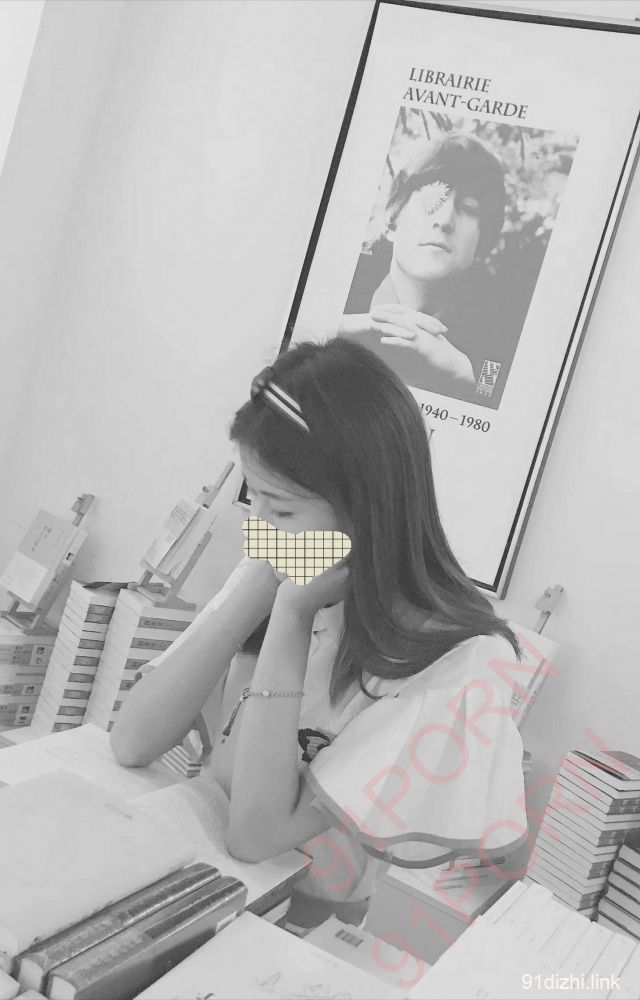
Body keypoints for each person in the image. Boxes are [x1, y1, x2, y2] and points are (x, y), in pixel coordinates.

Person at [110, 339, 527, 933]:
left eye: (281, 510)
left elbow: (257, 837)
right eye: (253, 498)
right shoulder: (279, 562)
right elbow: (133, 740)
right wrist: (261, 585)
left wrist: (290, 618)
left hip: (298, 927)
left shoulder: (457, 660)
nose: (258, 528)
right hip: (192, 880)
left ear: (368, 509)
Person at [339, 130, 514, 407]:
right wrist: (336, 327)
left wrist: (461, 369)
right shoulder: (339, 277)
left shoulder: (501, 322)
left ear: (482, 244)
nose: (444, 220)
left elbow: (501, 387)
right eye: (431, 201)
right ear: (392, 219)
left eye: (469, 208)